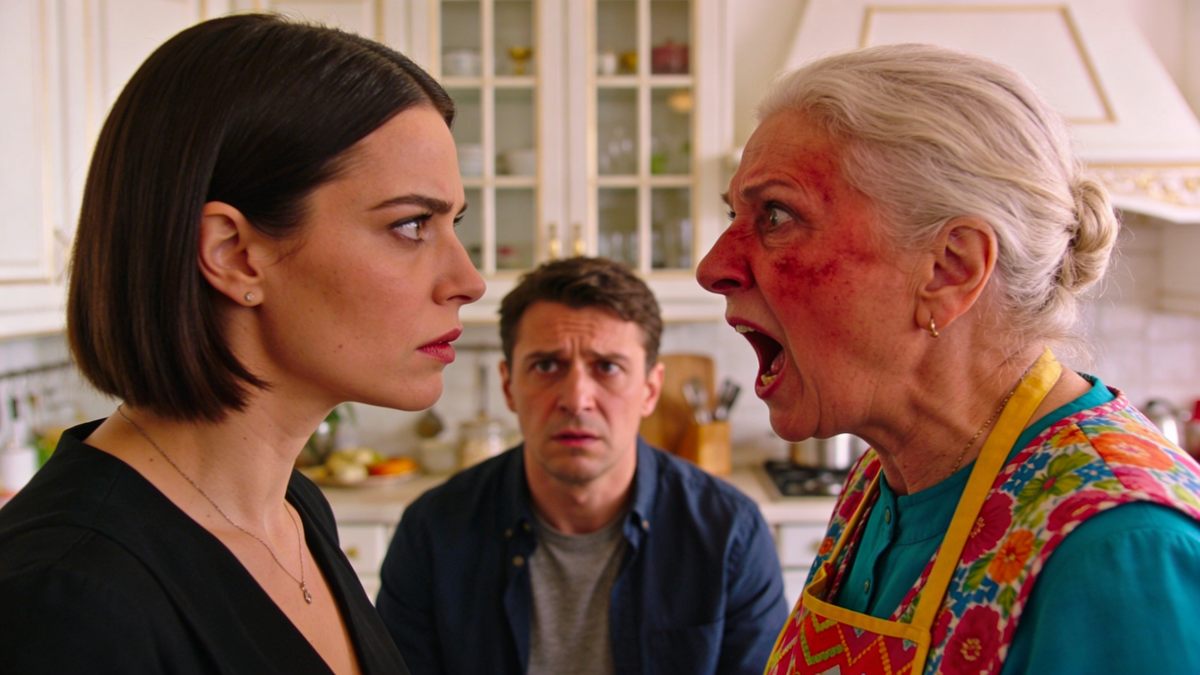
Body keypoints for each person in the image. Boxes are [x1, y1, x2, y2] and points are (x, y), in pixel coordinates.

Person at [0, 13, 484, 675]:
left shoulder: (293, 510)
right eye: (410, 224)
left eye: (454, 224)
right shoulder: (63, 600)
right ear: (233, 253)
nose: (468, 280)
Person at [697, 42, 1200, 675]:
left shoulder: (1125, 553)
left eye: (776, 214)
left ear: (950, 268)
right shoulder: (885, 480)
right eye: (734, 213)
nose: (712, 266)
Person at [376, 256, 788, 675]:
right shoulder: (431, 532)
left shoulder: (730, 535)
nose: (576, 400)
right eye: (546, 365)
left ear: (650, 390)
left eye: (607, 367)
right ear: (508, 386)